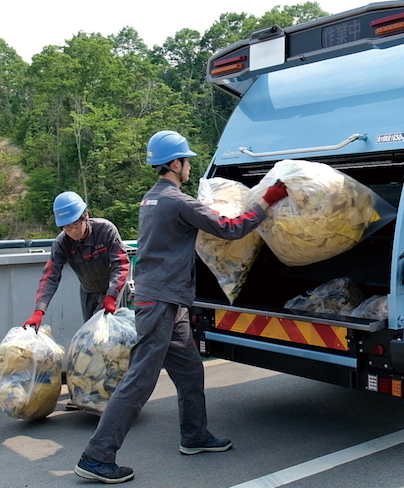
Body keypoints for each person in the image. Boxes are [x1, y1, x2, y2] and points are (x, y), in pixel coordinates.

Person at [74, 130, 288, 484]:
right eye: (186, 160)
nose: (188, 166)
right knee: (140, 381)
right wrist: (266, 200)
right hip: (161, 302)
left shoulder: (152, 198)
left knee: (190, 371)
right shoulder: (176, 201)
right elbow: (231, 229)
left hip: (166, 300)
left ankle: (195, 435)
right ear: (175, 164)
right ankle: (97, 456)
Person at [23, 191, 130, 330]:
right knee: (91, 336)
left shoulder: (106, 231)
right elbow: (50, 276)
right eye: (66, 227)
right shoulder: (62, 243)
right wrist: (39, 311)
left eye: (75, 224)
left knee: (116, 336)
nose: (72, 231)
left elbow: (121, 264)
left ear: (85, 216)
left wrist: (112, 297)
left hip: (115, 290)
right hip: (88, 292)